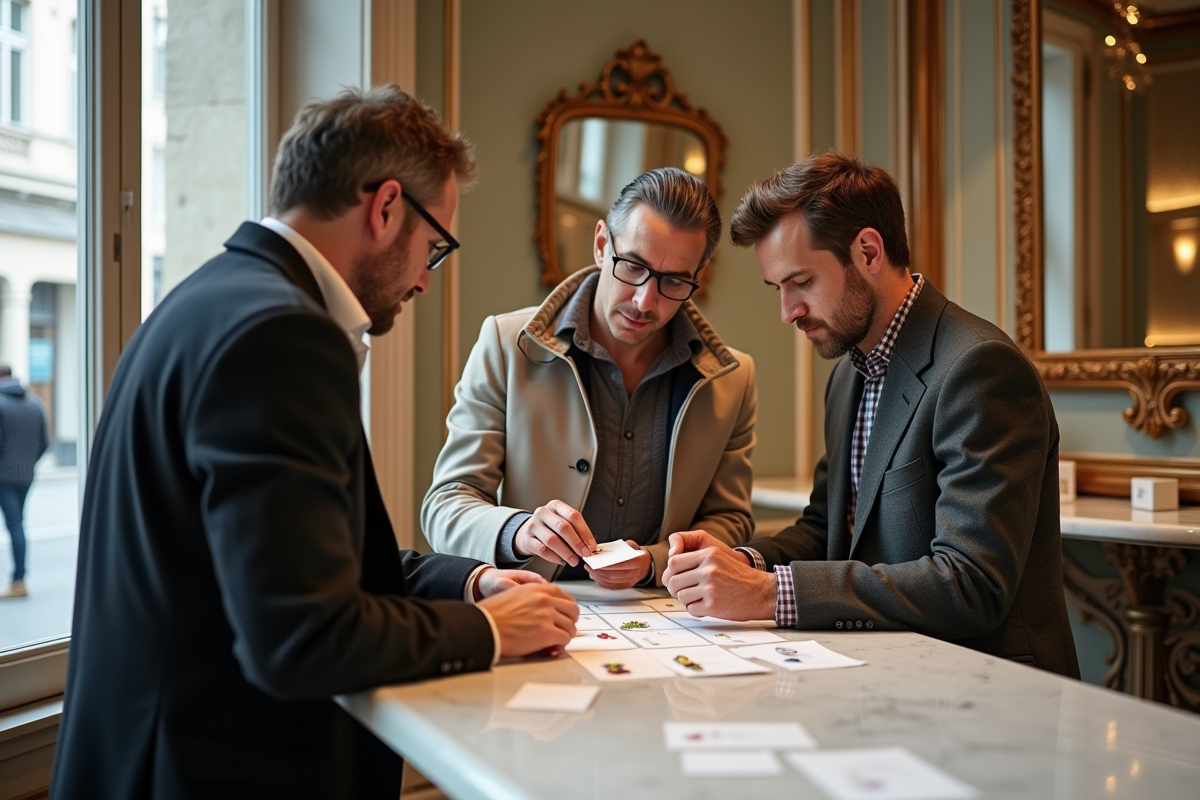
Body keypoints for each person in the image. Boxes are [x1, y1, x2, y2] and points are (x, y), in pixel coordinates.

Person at [52, 86, 579, 800]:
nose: (426, 279)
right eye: (435, 247)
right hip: (212, 771)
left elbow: (298, 557)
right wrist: (485, 629)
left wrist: (469, 580)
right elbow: (302, 635)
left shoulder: (210, 299)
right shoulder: (283, 334)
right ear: (385, 206)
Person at [662, 152, 1079, 678]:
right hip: (884, 675)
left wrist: (770, 593)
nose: (787, 311)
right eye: (779, 288)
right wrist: (739, 560)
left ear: (867, 251)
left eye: (802, 283)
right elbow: (826, 531)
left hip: (990, 689)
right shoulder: (848, 373)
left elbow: (972, 584)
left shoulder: (981, 369)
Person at [423, 168, 756, 589]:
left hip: (663, 618)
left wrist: (654, 561)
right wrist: (519, 531)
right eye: (633, 266)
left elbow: (731, 519)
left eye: (673, 281)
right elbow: (446, 504)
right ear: (601, 245)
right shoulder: (505, 344)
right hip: (530, 600)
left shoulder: (734, 378)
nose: (643, 301)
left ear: (697, 278)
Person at [0, 365, 49, 599]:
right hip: (26, 475)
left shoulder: (0, 404)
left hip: (4, 476)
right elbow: (44, 443)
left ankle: (18, 581)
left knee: (14, 525)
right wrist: (28, 463)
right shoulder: (35, 403)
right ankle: (19, 579)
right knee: (17, 524)